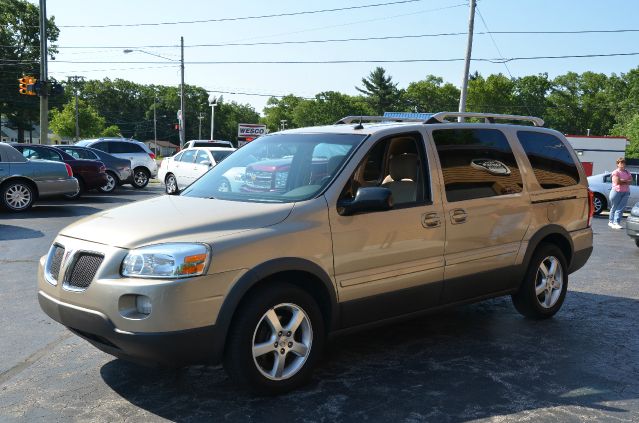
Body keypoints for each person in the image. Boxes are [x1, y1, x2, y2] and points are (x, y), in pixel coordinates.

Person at [608, 157, 633, 229]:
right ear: (617, 164)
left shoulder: (627, 172)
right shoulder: (615, 172)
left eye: (623, 163)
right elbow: (617, 182)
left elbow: (631, 181)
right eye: (621, 163)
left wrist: (623, 180)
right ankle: (611, 222)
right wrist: (626, 181)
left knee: (621, 208)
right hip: (616, 192)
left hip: (626, 192)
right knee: (614, 207)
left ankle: (616, 222)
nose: (622, 164)